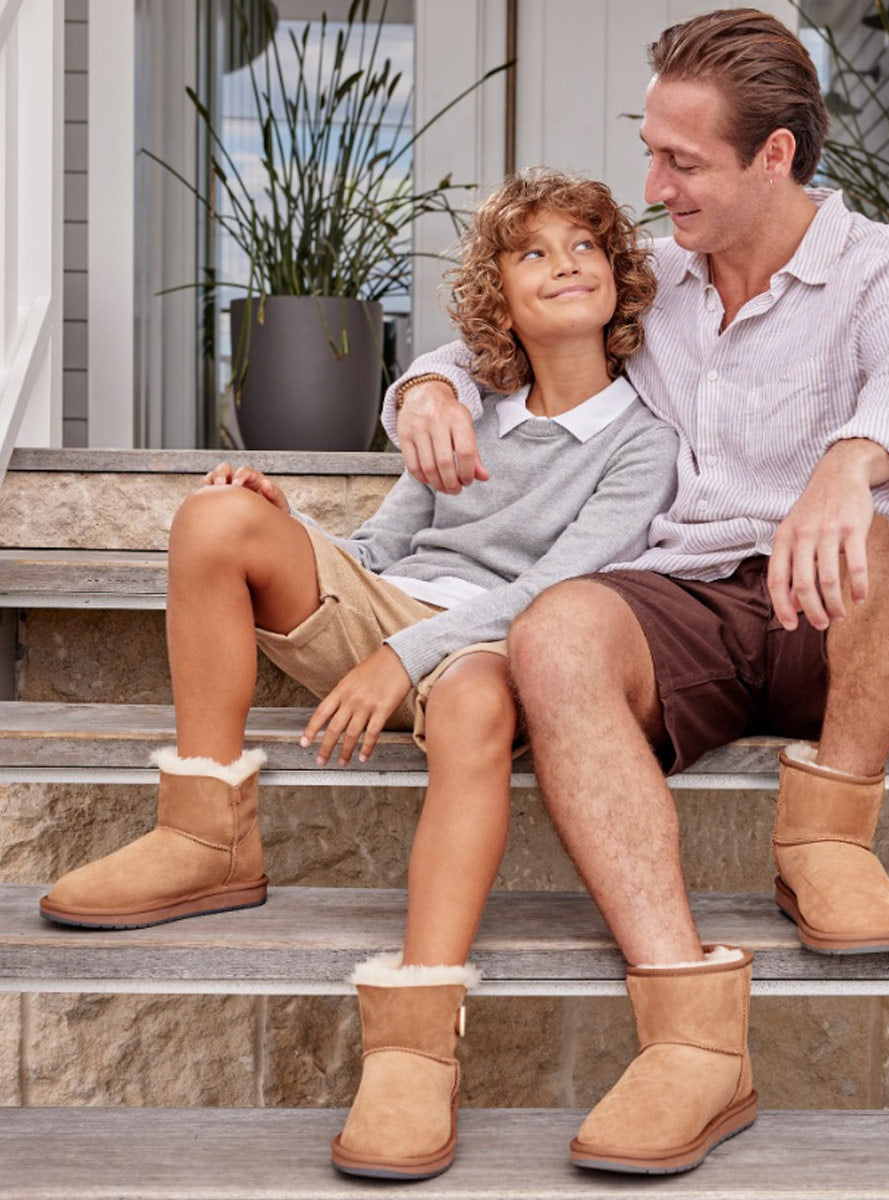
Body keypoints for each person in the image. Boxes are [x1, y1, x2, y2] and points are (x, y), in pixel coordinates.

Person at [386, 7, 889, 1176]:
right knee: (559, 628)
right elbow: (483, 338)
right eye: (651, 148)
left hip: (840, 607)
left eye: (683, 161)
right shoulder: (653, 277)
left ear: (777, 153)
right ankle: (691, 1036)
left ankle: (828, 833)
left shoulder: (886, 264)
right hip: (683, 603)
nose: (653, 185)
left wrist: (847, 460)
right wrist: (421, 387)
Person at [38, 169, 680, 1181]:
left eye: (585, 248)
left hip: (496, 646)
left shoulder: (643, 445)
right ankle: (204, 834)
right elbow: (383, 551)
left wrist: (401, 657)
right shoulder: (466, 413)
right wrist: (292, 529)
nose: (564, 264)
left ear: (620, 278)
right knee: (217, 517)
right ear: (499, 300)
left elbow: (561, 589)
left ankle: (416, 1039)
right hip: (395, 621)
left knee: (473, 696)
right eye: (533, 253)